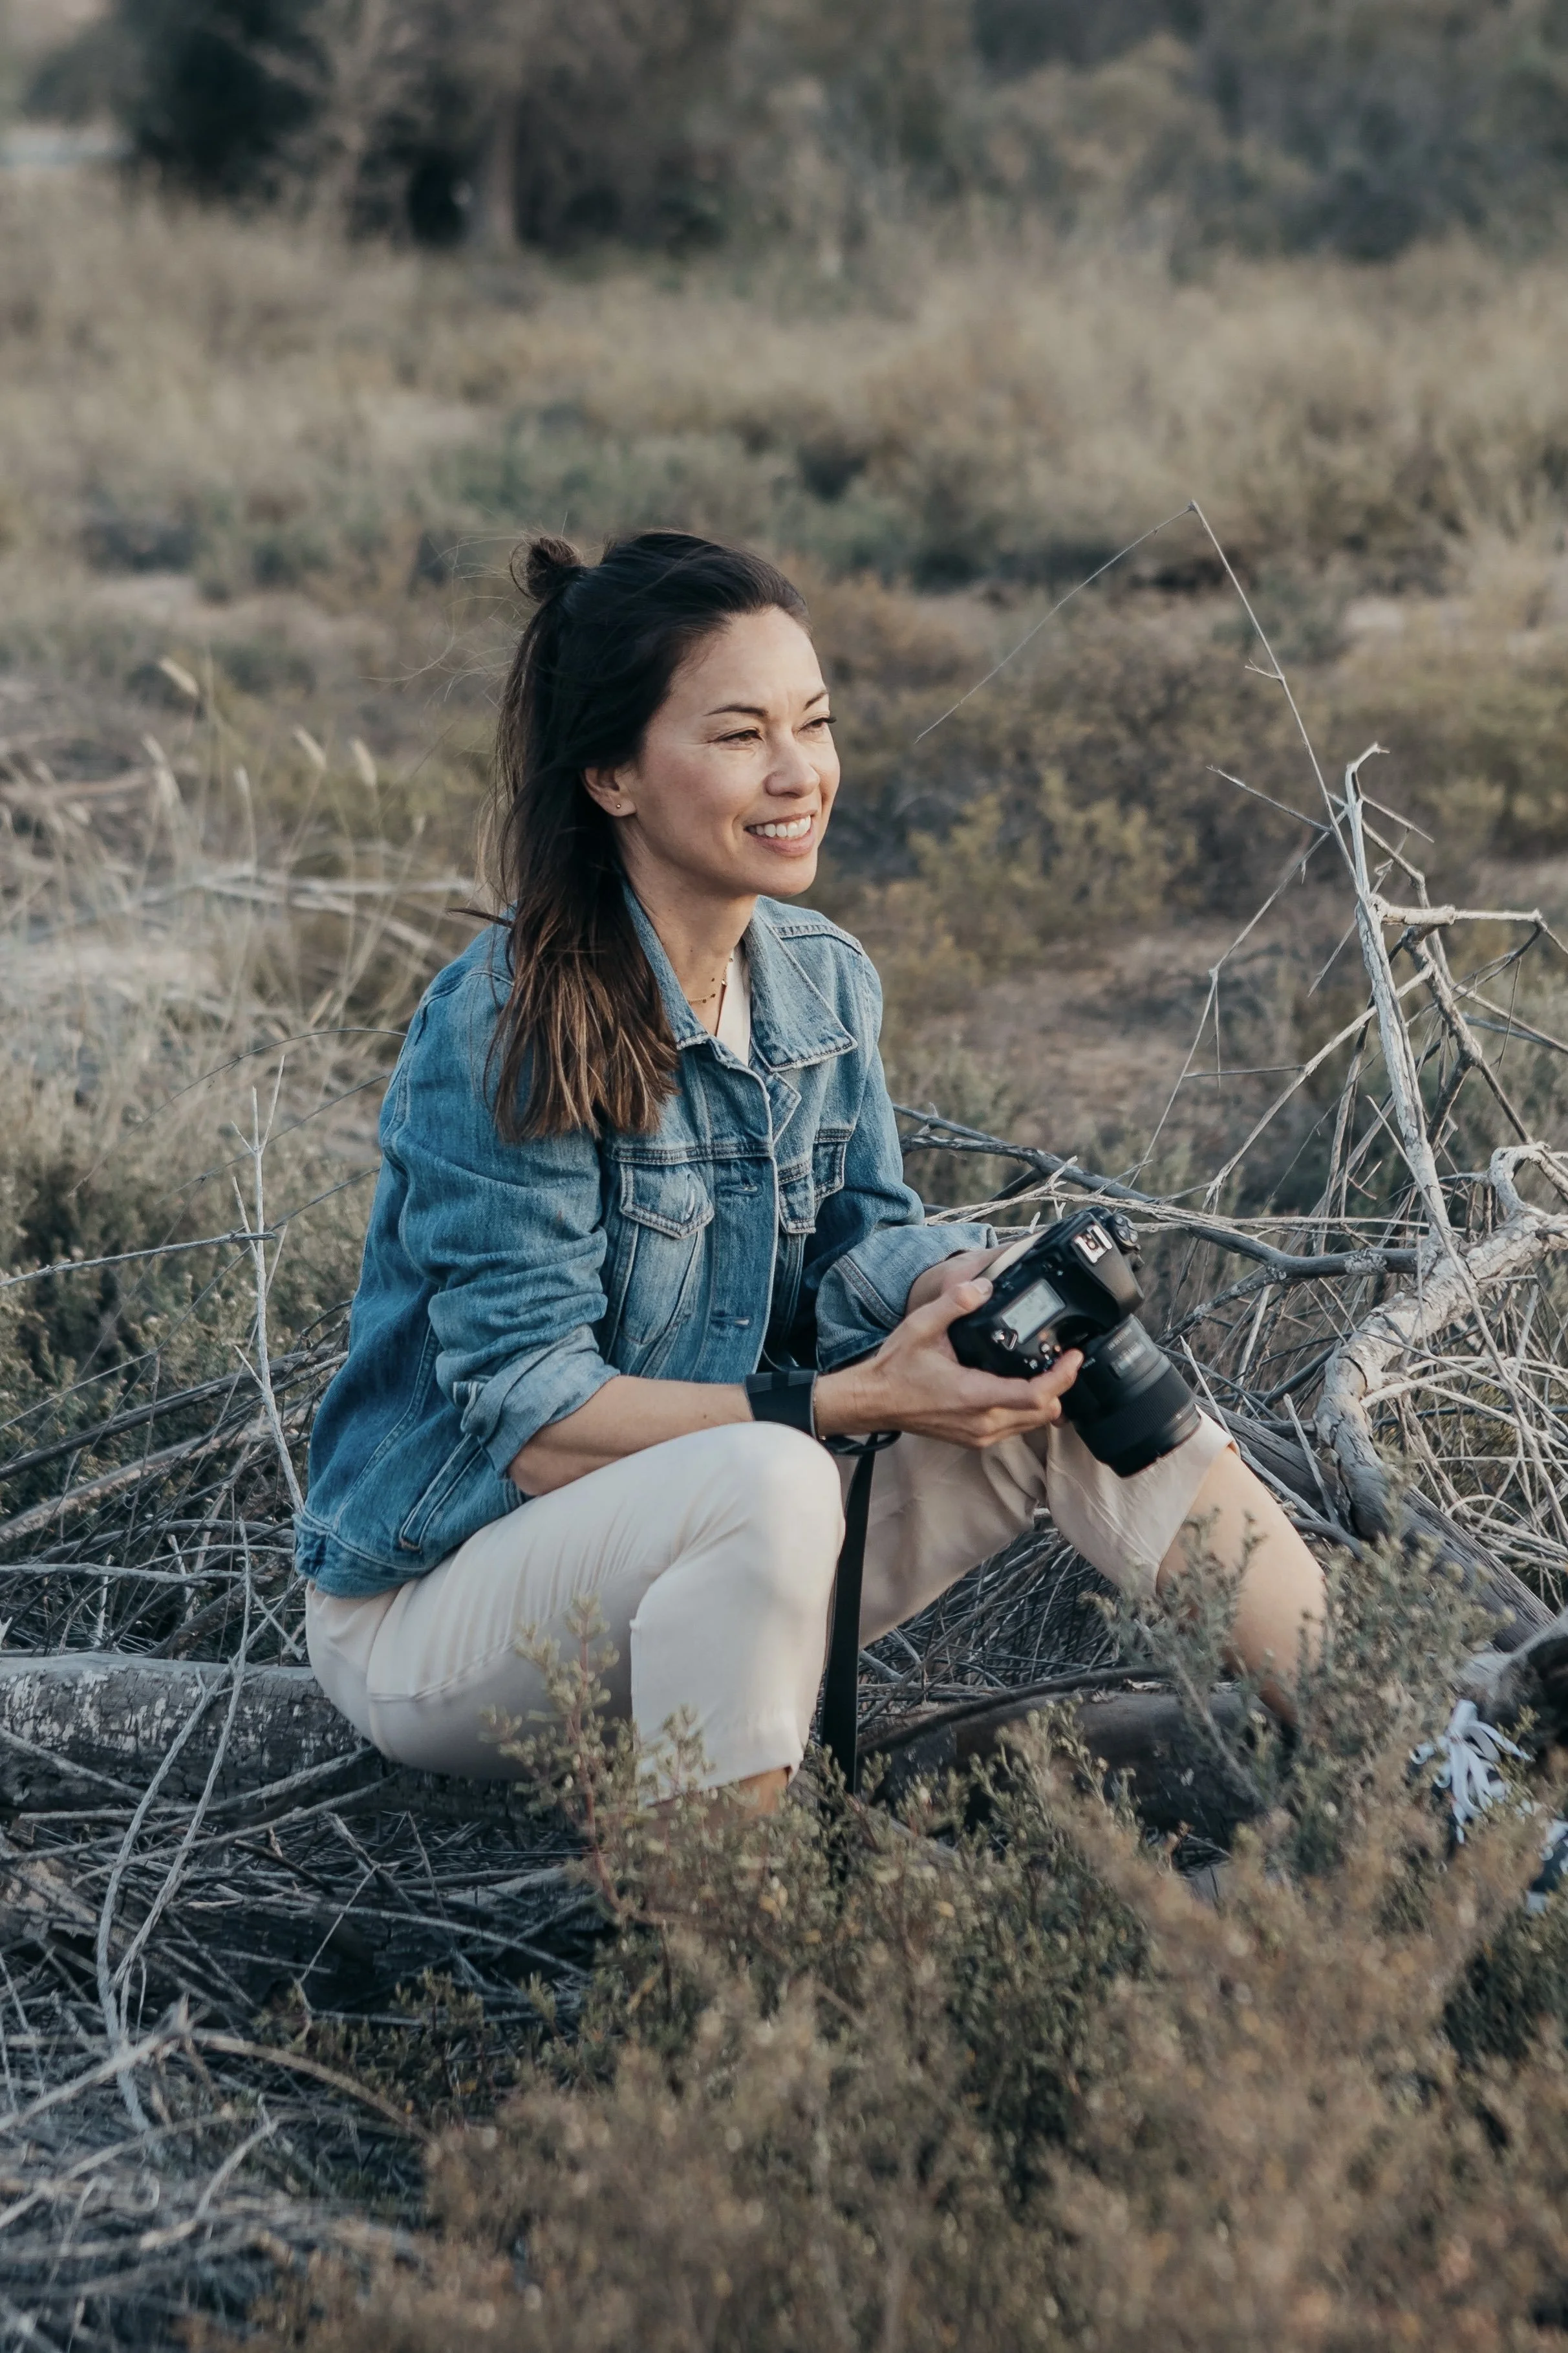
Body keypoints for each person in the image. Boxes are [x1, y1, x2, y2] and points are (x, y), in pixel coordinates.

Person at [297, 530, 1325, 1810]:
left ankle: (1404, 1760)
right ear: (612, 772)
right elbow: (540, 1423)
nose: (800, 775)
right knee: (774, 1468)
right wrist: (841, 1402)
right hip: (446, 1609)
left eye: (816, 722)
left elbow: (854, 1237)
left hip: (711, 1544)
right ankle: (743, 1962)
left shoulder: (821, 977)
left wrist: (963, 1282)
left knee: (1064, 1361)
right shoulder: (507, 1022)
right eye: (739, 735)